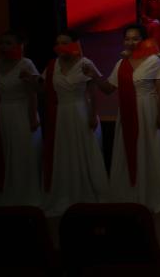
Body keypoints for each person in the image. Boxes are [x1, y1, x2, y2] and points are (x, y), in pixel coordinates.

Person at [84, 25, 160, 212]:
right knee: (132, 150)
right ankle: (132, 194)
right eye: (127, 39)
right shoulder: (121, 64)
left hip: (148, 111)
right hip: (127, 112)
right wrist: (95, 76)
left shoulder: (153, 60)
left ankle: (152, 195)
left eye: (135, 38)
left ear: (143, 40)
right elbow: (108, 89)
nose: (131, 42)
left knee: (151, 150)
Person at [41, 34, 106, 215]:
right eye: (58, 43)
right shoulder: (53, 65)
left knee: (84, 150)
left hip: (81, 111)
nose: (60, 46)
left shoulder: (85, 63)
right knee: (65, 151)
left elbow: (93, 92)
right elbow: (43, 88)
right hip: (62, 114)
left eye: (65, 43)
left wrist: (92, 115)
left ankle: (87, 192)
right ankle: (66, 193)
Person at [0, 31, 42, 207]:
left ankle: (27, 194)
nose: (4, 46)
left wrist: (32, 117)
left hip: (22, 110)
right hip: (4, 112)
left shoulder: (26, 63)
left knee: (24, 152)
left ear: (18, 45)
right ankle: (10, 191)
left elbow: (36, 91)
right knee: (7, 151)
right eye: (1, 43)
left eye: (8, 43)